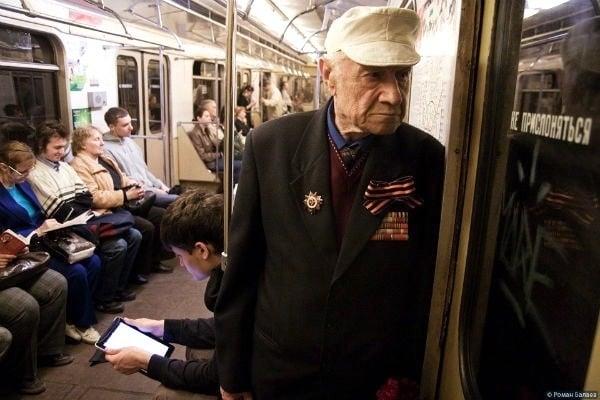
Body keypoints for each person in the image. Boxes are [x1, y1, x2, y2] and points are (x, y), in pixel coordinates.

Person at [215, 6, 444, 399]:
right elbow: (243, 268)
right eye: (374, 74)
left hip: (371, 375)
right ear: (328, 74)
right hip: (281, 367)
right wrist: (231, 377)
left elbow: (425, 278)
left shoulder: (424, 157)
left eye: (401, 76)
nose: (393, 95)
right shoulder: (270, 146)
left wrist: (409, 371)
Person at [105, 191, 224, 397]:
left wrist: (146, 361)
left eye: (180, 255)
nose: (180, 263)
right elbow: (222, 327)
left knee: (166, 396)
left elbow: (214, 377)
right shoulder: (235, 266)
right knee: (194, 350)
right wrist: (161, 327)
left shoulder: (235, 291)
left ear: (202, 250)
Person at [27, 121, 137, 314]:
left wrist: (76, 204)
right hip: (65, 228)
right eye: (57, 147)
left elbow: (86, 197)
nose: (62, 151)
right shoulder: (35, 173)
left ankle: (114, 291)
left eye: (64, 146)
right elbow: (58, 210)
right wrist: (78, 204)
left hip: (84, 220)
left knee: (134, 235)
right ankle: (103, 298)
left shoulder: (64, 167)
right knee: (117, 245)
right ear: (41, 146)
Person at [0, 140, 102, 344]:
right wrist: (36, 232)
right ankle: (82, 323)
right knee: (76, 272)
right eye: (22, 171)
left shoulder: (22, 184)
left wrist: (51, 224)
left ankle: (71, 317)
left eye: (29, 170)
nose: (27, 175)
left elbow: (38, 212)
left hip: (44, 237)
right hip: (23, 246)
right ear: (4, 168)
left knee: (93, 262)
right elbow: (6, 235)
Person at [70, 125, 167, 287]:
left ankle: (149, 265)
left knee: (160, 215)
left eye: (101, 139)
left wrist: (132, 183)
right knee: (144, 228)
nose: (102, 143)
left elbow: (121, 177)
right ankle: (131, 276)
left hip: (121, 205)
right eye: (96, 139)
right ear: (82, 145)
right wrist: (124, 195)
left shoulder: (104, 158)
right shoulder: (79, 166)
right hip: (106, 211)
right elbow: (94, 198)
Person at [102, 107, 178, 209]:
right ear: (112, 127)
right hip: (139, 193)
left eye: (130, 123)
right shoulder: (106, 150)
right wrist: (154, 190)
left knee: (183, 194)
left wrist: (160, 185)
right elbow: (122, 180)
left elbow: (144, 170)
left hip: (151, 187)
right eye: (125, 125)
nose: (131, 128)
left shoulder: (130, 142)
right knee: (179, 201)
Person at [190, 106, 242, 183]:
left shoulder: (207, 130)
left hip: (215, 159)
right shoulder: (196, 134)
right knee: (240, 165)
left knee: (240, 160)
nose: (209, 118)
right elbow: (202, 156)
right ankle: (231, 188)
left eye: (209, 116)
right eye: (206, 116)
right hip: (210, 163)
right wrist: (218, 155)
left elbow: (216, 144)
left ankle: (232, 185)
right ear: (199, 118)